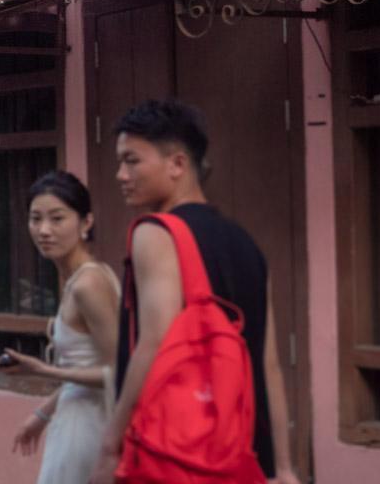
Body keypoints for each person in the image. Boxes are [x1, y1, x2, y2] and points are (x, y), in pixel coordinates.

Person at [92, 100, 299, 484]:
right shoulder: (247, 245)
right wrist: (283, 467)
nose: (121, 174)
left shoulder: (155, 232)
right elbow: (267, 363)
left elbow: (153, 343)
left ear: (177, 164)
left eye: (132, 160)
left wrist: (109, 445)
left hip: (178, 453)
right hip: (245, 454)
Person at [5, 171, 120, 483]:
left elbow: (120, 370)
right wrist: (42, 414)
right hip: (73, 418)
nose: (44, 230)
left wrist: (41, 370)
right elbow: (89, 366)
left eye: (57, 218)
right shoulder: (80, 280)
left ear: (86, 223)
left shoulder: (89, 284)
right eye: (35, 218)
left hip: (89, 427)